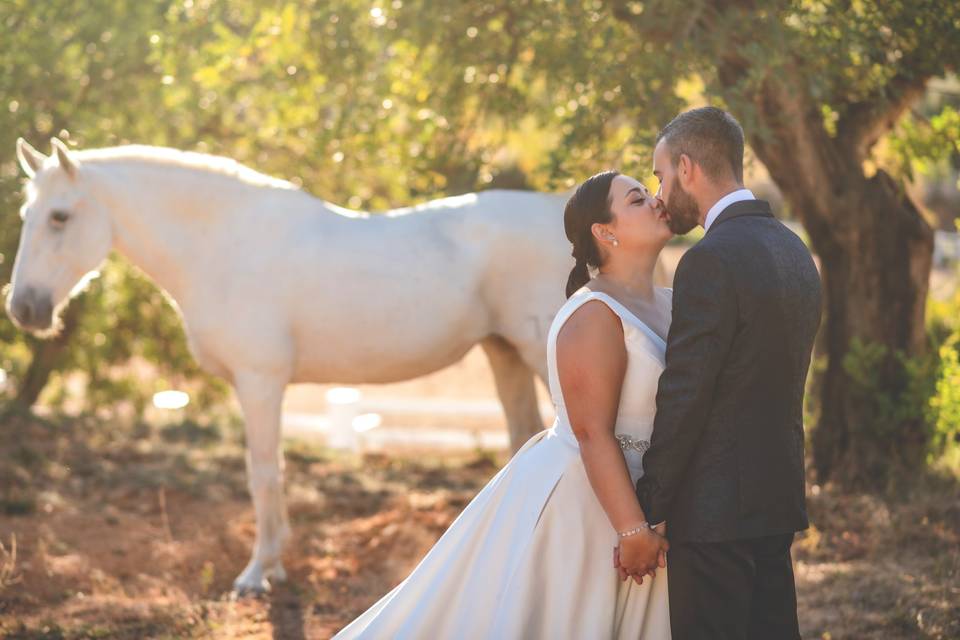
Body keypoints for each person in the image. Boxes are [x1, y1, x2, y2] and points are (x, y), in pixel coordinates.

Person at [333, 169, 674, 639]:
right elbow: (592, 431)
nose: (656, 201)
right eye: (637, 199)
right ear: (605, 231)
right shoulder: (594, 315)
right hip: (588, 508)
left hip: (651, 500)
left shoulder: (675, 303)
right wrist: (631, 530)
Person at [630, 106, 822, 639]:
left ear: (687, 168)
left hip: (713, 516)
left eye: (661, 175)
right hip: (775, 499)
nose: (660, 194)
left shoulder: (711, 259)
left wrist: (651, 505)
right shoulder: (793, 249)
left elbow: (687, 392)